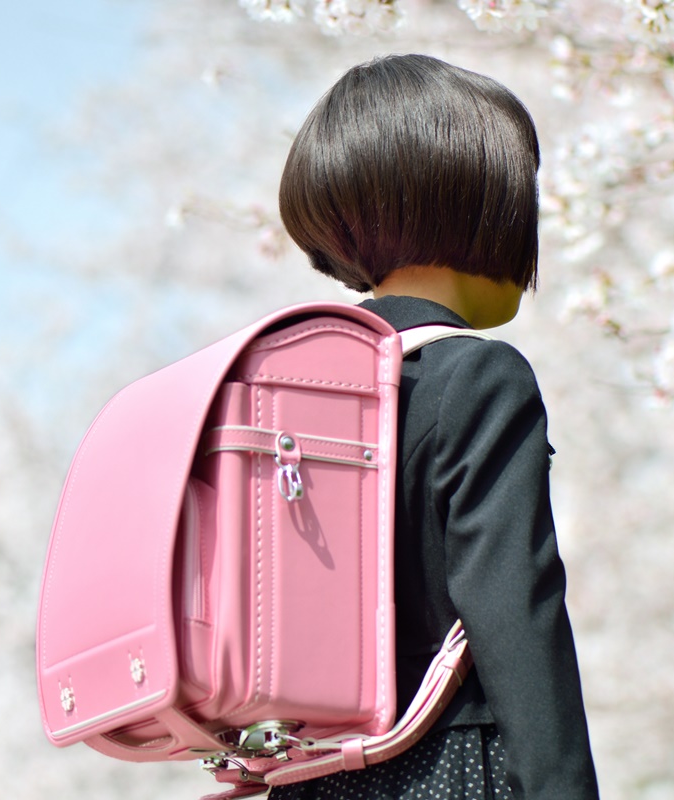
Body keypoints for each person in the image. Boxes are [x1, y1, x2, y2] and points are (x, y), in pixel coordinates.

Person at [270, 54, 599, 800]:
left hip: (315, 777)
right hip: (452, 768)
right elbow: (517, 612)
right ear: (478, 202)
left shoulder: (295, 388)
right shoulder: (480, 379)